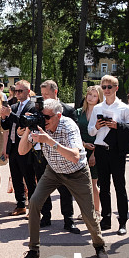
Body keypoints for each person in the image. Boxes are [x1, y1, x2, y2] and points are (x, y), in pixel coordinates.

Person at [17, 99, 107, 258]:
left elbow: (74, 156)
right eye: (40, 117)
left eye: (47, 118)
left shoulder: (68, 126)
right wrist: (29, 126)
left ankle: (99, 245)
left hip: (77, 172)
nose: (43, 121)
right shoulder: (40, 126)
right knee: (35, 202)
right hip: (53, 171)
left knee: (88, 213)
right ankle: (33, 251)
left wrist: (49, 140)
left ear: (58, 115)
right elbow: (22, 151)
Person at [88, 74, 129, 235]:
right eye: (104, 87)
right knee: (103, 187)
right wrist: (97, 125)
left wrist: (118, 126)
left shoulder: (124, 108)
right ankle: (106, 218)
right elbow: (91, 131)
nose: (107, 90)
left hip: (117, 150)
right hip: (101, 149)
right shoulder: (97, 108)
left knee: (120, 187)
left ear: (116, 88)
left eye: (110, 87)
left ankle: (122, 221)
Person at [39, 80, 80, 234]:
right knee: (43, 188)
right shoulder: (39, 109)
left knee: (65, 189)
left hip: (63, 156)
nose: (44, 98)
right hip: (44, 155)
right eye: (42, 95)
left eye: (46, 94)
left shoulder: (68, 110)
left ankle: (68, 220)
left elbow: (75, 133)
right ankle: (45, 216)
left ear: (55, 92)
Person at [0, 80, 40, 217]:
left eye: (20, 91)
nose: (17, 93)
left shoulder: (32, 106)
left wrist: (10, 114)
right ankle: (20, 205)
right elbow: (6, 126)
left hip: (25, 147)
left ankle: (34, 208)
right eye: (15, 91)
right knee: (16, 177)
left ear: (28, 91)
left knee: (29, 179)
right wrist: (4, 117)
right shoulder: (14, 105)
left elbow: (23, 122)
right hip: (12, 147)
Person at [76, 85, 102, 214]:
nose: (91, 97)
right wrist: (84, 144)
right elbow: (74, 133)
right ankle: (85, 211)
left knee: (93, 183)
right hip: (81, 149)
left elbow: (103, 135)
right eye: (89, 94)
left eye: (95, 95)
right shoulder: (79, 112)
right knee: (82, 185)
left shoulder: (101, 112)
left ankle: (96, 211)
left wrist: (94, 154)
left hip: (97, 150)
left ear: (99, 98)